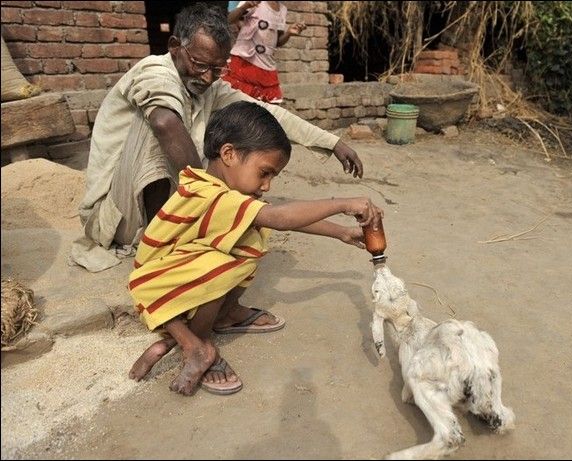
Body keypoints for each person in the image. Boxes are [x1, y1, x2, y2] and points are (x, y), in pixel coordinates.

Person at [72, 3, 363, 333]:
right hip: (118, 218)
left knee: (247, 187)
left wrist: (332, 142)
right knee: (160, 120)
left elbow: (270, 114)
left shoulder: (209, 86)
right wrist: (207, 196)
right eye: (199, 64)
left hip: (180, 203)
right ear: (175, 48)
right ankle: (167, 251)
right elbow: (166, 122)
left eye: (218, 69)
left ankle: (208, 274)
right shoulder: (154, 72)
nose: (207, 77)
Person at [127, 100, 383, 396]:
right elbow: (279, 218)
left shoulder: (221, 190)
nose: (267, 186)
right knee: (223, 261)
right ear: (229, 154)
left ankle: (210, 322)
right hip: (153, 284)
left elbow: (272, 214)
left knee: (249, 237)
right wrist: (342, 204)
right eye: (265, 172)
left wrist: (340, 233)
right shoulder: (208, 193)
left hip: (173, 280)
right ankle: (196, 343)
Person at [222, 1, 303, 103]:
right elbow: (229, 20)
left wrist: (288, 33)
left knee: (266, 109)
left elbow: (276, 42)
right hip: (243, 63)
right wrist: (244, 7)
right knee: (237, 103)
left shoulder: (282, 10)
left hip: (266, 66)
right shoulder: (255, 2)